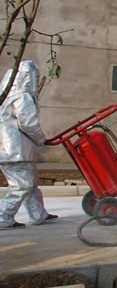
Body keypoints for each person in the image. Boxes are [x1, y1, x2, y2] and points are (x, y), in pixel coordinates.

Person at [0, 60, 57, 229]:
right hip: (15, 149)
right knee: (21, 185)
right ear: (27, 77)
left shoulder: (6, 94)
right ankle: (4, 216)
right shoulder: (21, 95)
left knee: (30, 182)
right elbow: (28, 122)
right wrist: (41, 139)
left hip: (14, 148)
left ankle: (38, 214)